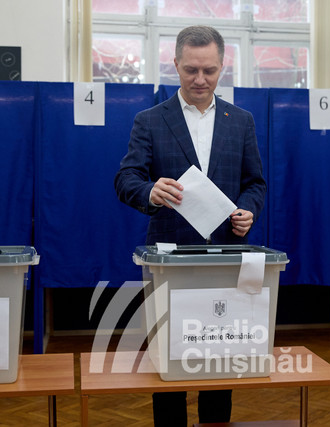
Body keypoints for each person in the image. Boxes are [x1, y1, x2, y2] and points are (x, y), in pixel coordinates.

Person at [114, 25, 266, 426]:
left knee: (221, 352)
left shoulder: (242, 120)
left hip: (226, 255)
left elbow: (255, 183)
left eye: (210, 71)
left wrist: (249, 210)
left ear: (222, 68)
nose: (200, 79)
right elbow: (126, 179)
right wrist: (150, 190)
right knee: (169, 356)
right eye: (191, 70)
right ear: (175, 64)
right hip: (168, 256)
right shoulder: (149, 120)